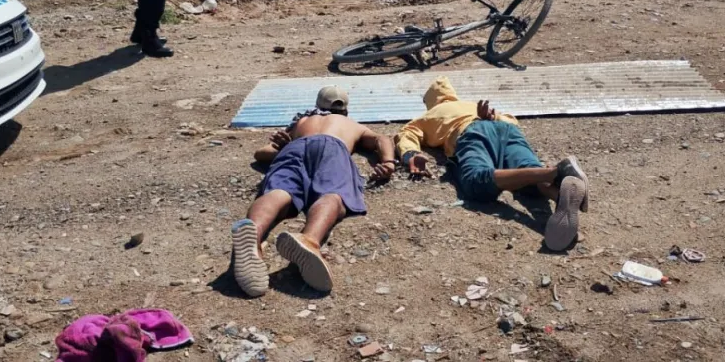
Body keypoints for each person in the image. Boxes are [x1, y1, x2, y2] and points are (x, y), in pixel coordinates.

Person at [230, 87, 397, 297]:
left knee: (279, 192)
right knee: (333, 195)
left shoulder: (301, 122)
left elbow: (261, 154)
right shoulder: (350, 124)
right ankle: (308, 240)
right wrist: (388, 162)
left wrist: (285, 146)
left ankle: (253, 236)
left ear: (318, 105)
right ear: (345, 110)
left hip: (295, 147)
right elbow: (382, 138)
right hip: (333, 148)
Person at [396, 76, 590, 251]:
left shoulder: (430, 115)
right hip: (507, 129)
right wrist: (493, 117)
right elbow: (511, 119)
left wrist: (411, 155)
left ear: (431, 102)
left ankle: (554, 172)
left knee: (476, 181)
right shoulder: (469, 104)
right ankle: (557, 187)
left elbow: (407, 133)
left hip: (472, 133)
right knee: (528, 174)